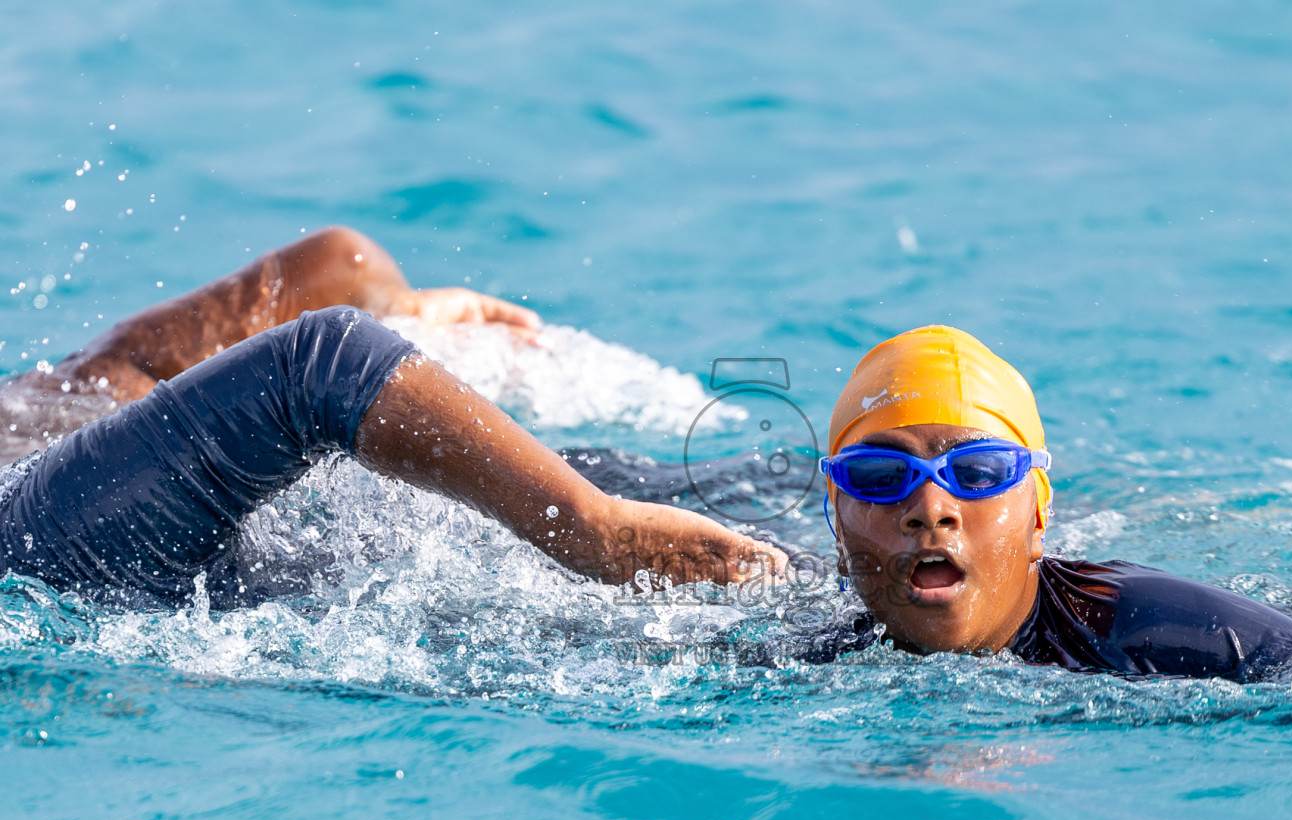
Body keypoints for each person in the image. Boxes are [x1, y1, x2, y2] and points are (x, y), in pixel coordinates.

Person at [0, 226, 783, 605]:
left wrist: (596, 530)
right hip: (506, 516)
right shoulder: (43, 407)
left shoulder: (42, 524)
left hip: (542, 542)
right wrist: (402, 313)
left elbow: (318, 359)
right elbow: (338, 265)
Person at [819, 325, 1292, 680]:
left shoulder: (1165, 631)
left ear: (1038, 517)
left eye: (978, 473)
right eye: (880, 477)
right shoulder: (791, 651)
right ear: (839, 531)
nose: (930, 507)